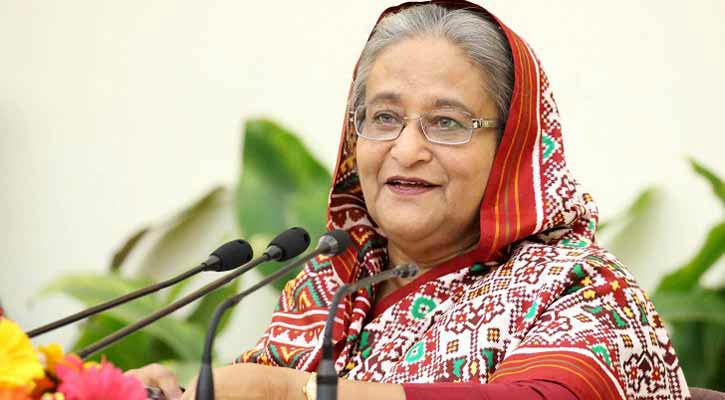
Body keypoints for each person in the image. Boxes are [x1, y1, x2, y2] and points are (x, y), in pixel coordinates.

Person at [127, 1, 690, 399]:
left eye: (446, 122)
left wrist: (293, 393)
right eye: (385, 117)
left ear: (512, 148)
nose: (407, 149)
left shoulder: (580, 285)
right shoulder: (329, 285)